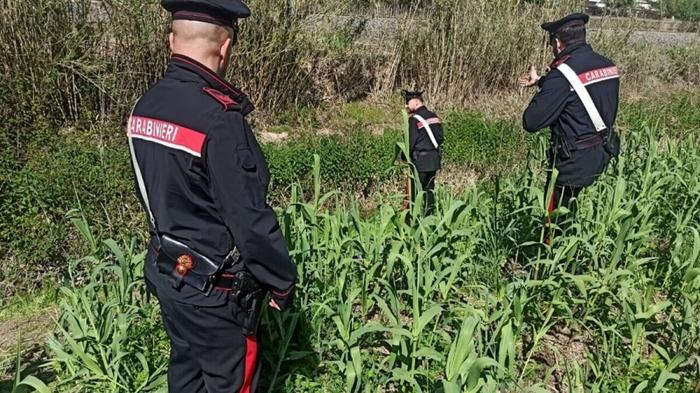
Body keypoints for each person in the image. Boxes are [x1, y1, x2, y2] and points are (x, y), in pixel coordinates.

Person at [125, 1, 296, 392]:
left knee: (185, 374)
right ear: (225, 47)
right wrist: (281, 282)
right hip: (217, 293)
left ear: (172, 40)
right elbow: (249, 217)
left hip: (168, 272)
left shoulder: (143, 107)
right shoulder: (219, 119)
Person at [518, 13, 620, 239]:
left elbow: (532, 121)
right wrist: (543, 82)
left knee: (555, 219)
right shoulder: (608, 65)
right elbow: (582, 92)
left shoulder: (561, 74)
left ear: (557, 42)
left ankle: (551, 266)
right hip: (601, 152)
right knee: (575, 210)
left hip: (572, 161)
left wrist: (547, 86)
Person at [403, 90, 444, 214]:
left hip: (420, 162)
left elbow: (410, 142)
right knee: (429, 190)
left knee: (416, 192)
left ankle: (415, 218)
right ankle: (430, 216)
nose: (406, 106)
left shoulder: (414, 120)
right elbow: (440, 138)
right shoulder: (434, 117)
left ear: (416, 102)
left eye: (407, 102)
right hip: (434, 160)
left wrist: (404, 157)